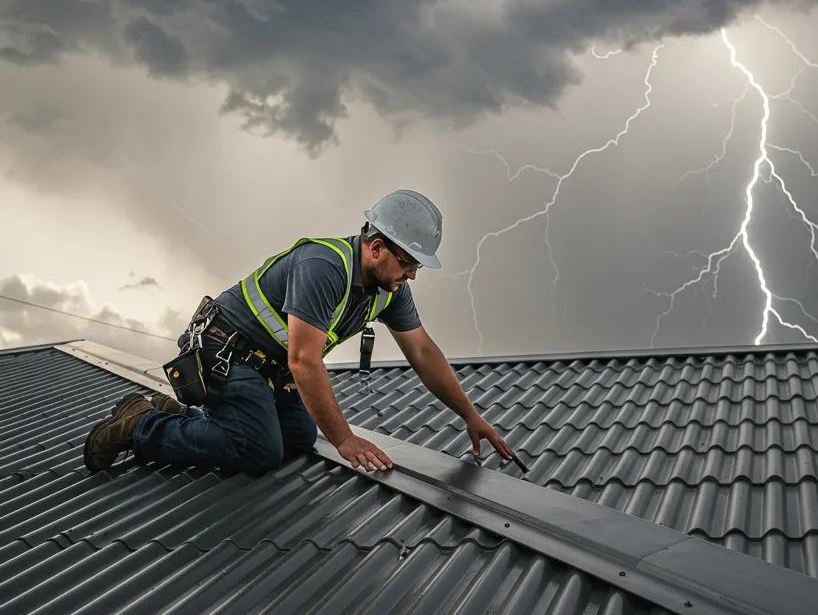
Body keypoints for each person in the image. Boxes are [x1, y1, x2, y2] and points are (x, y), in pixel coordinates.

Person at [83, 189, 518, 475]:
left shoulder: (388, 289)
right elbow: (304, 359)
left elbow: (423, 353)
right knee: (259, 452)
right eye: (407, 264)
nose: (412, 276)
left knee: (297, 437)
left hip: (268, 369)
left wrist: (470, 415)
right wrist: (345, 439)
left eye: (417, 267)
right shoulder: (323, 266)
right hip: (224, 352)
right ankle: (140, 426)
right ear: (377, 247)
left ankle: (178, 417)